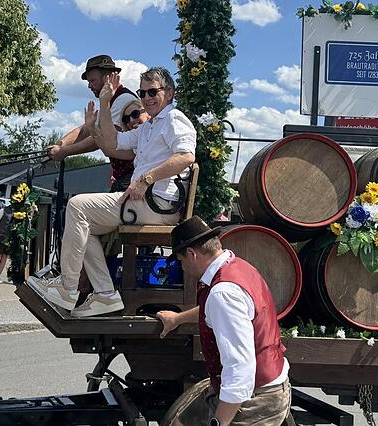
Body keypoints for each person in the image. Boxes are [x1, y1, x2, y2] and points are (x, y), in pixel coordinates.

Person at [29, 67, 196, 318]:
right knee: (83, 227)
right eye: (143, 92)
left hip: (156, 204)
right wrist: (105, 104)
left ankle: (68, 288)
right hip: (145, 202)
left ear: (169, 93)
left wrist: (145, 179)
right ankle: (105, 295)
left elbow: (186, 157)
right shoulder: (149, 127)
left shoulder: (173, 119)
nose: (147, 97)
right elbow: (112, 144)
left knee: (77, 207)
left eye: (153, 91)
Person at [157, 217, 291, 426]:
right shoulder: (237, 267)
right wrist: (178, 318)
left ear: (192, 254)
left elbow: (240, 369)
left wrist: (219, 422)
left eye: (181, 261)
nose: (182, 268)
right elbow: (218, 308)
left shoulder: (223, 292)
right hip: (265, 384)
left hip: (257, 399)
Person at [46, 54, 138, 193]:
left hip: (131, 177)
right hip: (124, 178)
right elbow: (86, 129)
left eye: (92, 81)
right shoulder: (109, 101)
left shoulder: (122, 100)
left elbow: (102, 140)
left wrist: (64, 152)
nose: (89, 85)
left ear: (107, 78)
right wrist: (60, 144)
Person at [85, 97, 150, 191]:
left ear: (147, 112)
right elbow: (109, 149)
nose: (131, 120)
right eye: (126, 119)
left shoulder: (163, 126)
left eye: (135, 114)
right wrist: (92, 128)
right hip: (134, 186)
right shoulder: (136, 139)